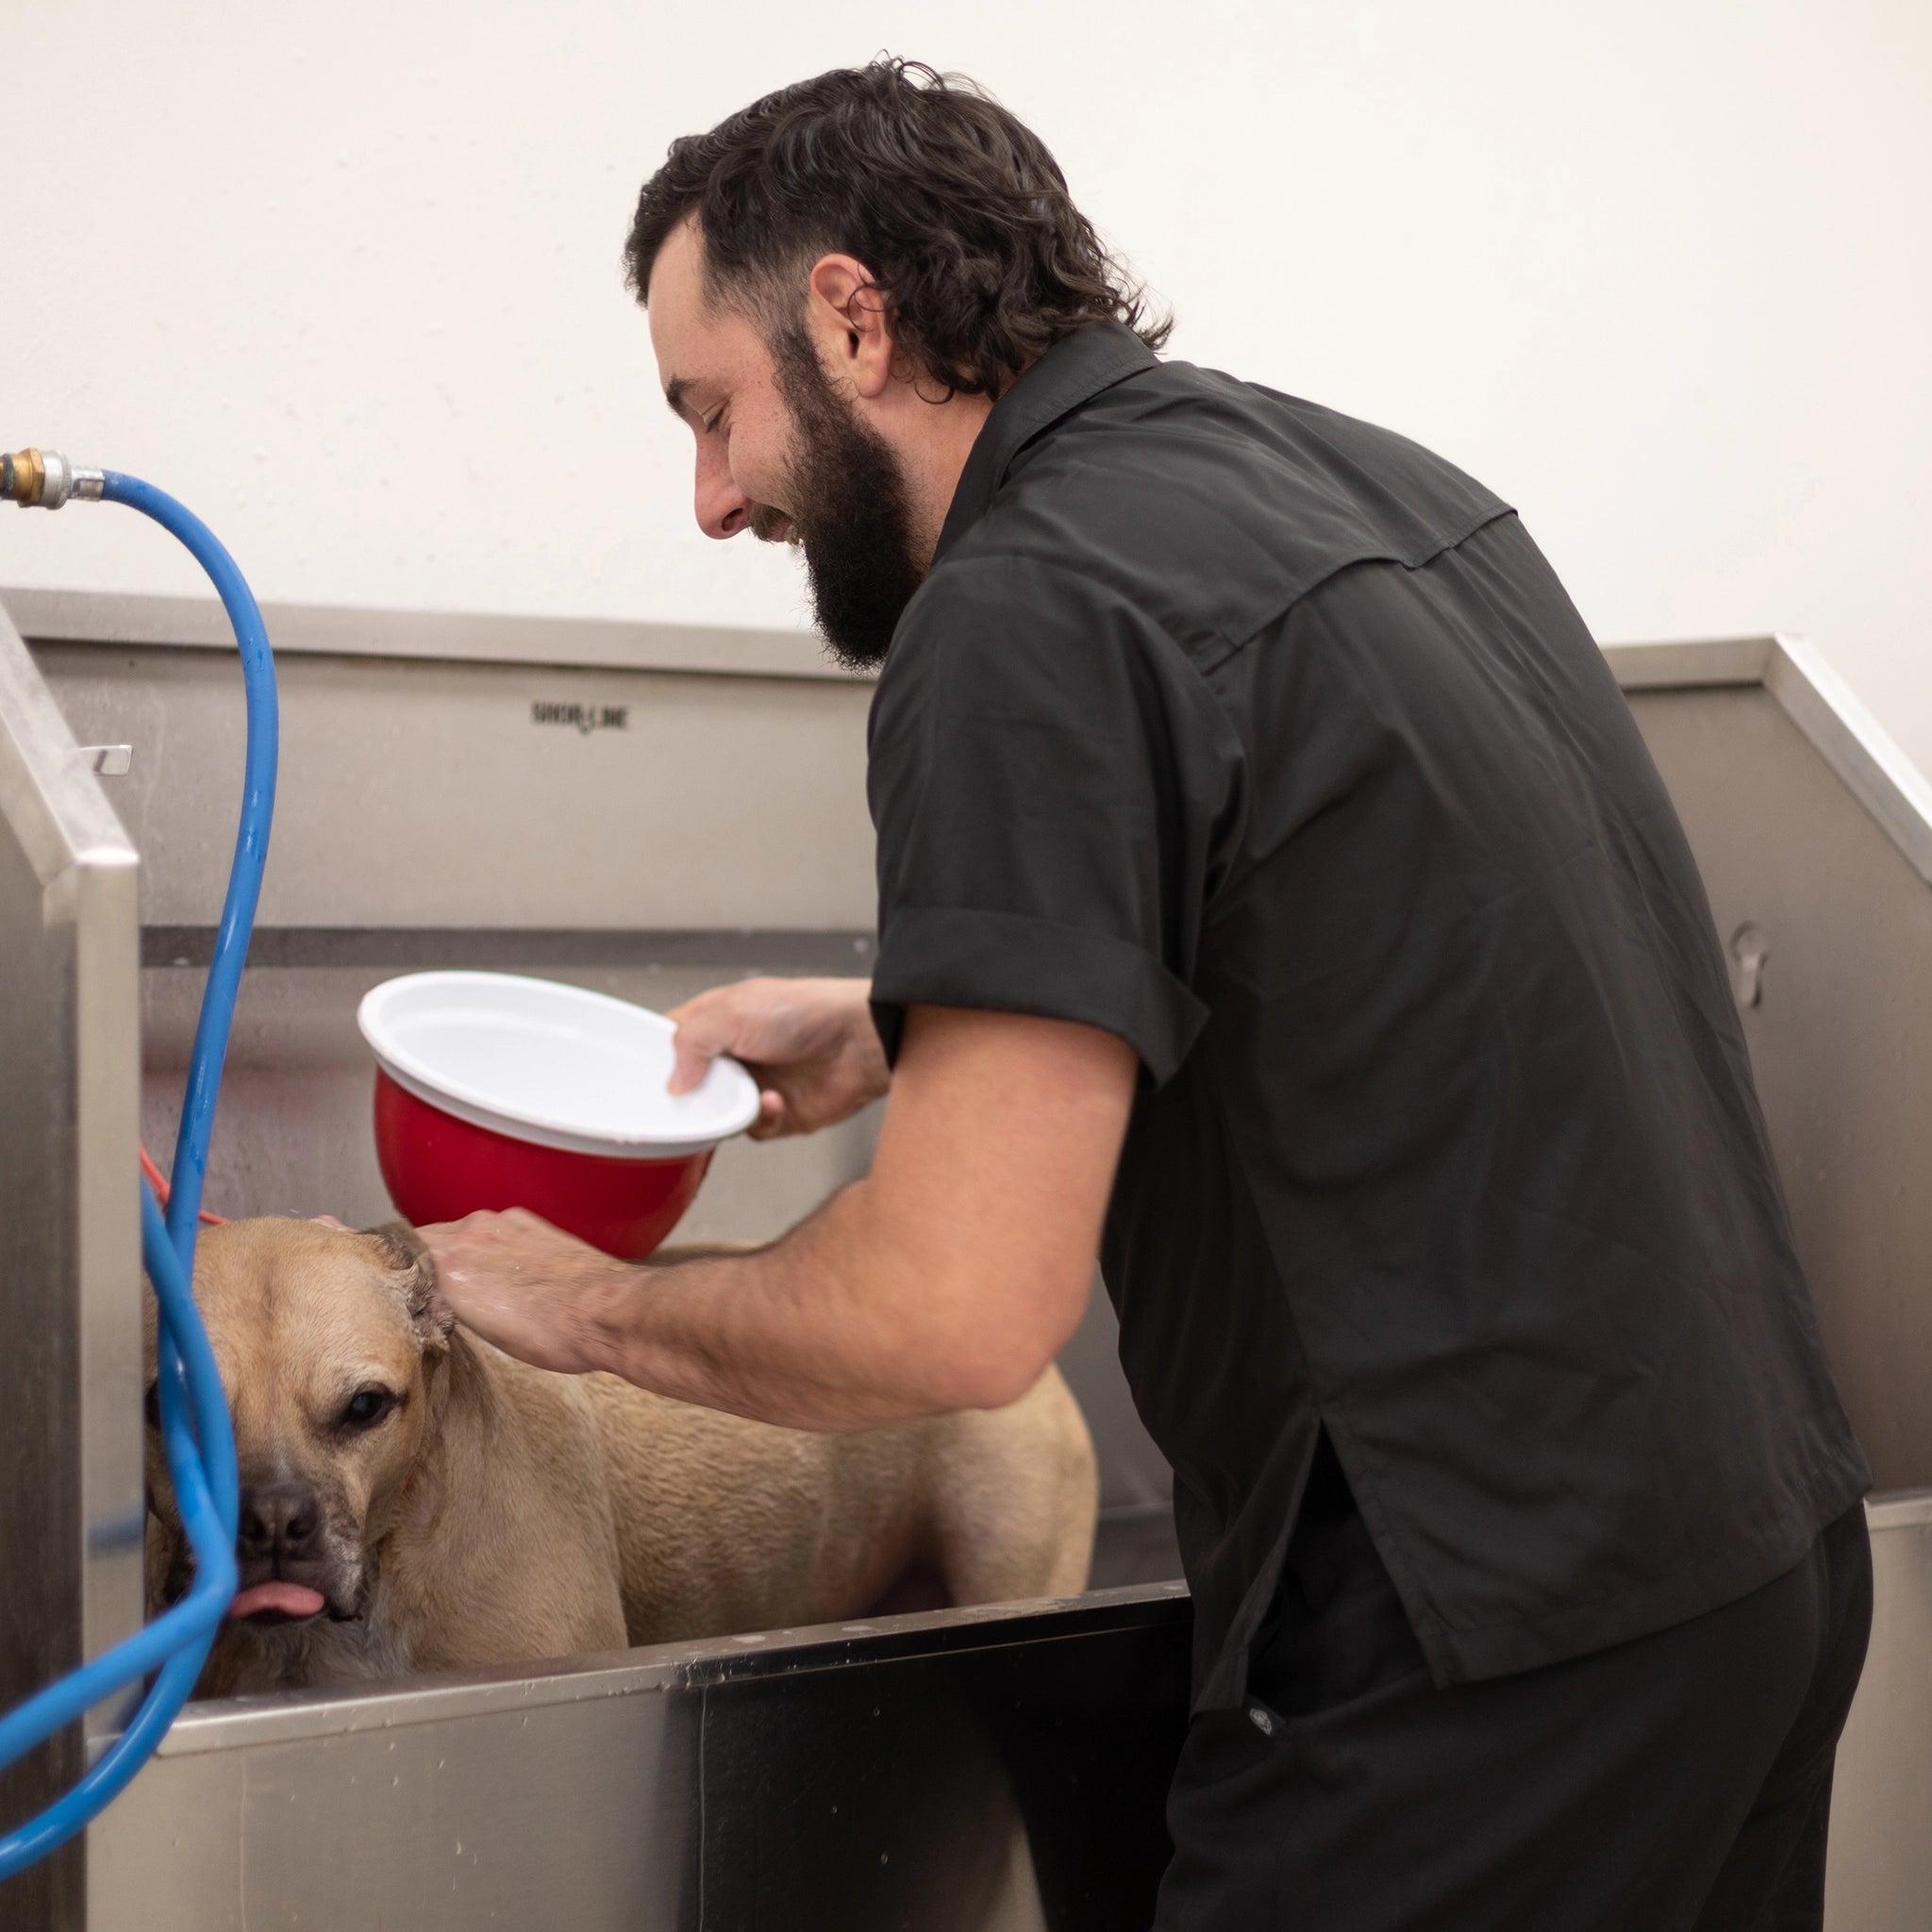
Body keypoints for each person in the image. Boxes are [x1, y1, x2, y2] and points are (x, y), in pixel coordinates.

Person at [423, 58, 1873, 1929]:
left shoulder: (1019, 610)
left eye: (713, 412)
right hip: (1758, 1583)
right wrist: (906, 1020)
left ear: (852, 320)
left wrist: (591, 1307)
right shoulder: (1378, 483)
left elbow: (952, 1316)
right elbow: (1355, 936)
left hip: (1478, 1666)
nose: (711, 498)